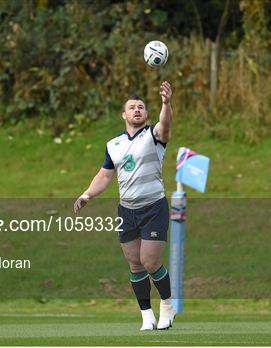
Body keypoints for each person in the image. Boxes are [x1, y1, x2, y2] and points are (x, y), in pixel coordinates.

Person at [74, 81, 175, 331]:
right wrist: (87, 194)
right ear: (124, 114)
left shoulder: (154, 136)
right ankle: (146, 316)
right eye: (132, 107)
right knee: (134, 263)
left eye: (141, 107)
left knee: (150, 261)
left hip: (153, 207)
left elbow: (166, 124)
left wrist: (166, 103)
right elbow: (105, 175)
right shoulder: (113, 145)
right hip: (127, 211)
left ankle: (167, 306)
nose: (137, 110)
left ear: (146, 114)